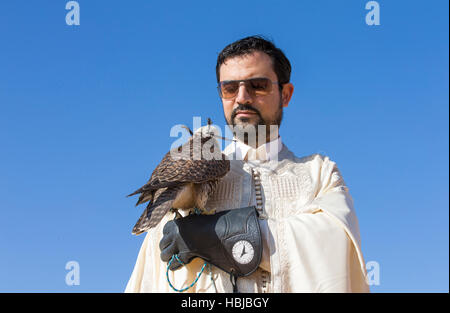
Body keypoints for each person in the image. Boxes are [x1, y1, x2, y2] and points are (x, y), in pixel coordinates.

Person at [125, 35, 370, 293]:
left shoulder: (319, 172)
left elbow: (334, 245)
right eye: (230, 89)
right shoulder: (196, 162)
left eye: (258, 85)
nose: (242, 97)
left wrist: (230, 234)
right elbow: (150, 278)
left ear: (285, 94)